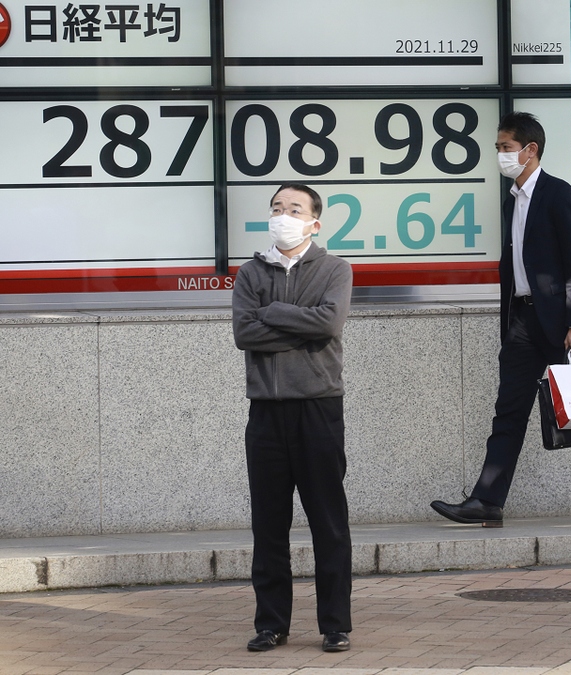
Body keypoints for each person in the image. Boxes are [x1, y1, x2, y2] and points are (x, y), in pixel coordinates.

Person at [430, 111, 571, 527]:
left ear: (530, 150)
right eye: (498, 149)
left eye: (505, 148)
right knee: (508, 412)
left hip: (562, 326)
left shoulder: (558, 194)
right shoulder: (514, 200)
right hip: (522, 323)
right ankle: (487, 500)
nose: (500, 155)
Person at [232, 183, 354, 653]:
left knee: (328, 520)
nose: (284, 215)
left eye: (295, 209)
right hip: (265, 412)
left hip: (318, 408)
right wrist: (297, 324)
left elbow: (328, 324)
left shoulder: (334, 269)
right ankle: (271, 624)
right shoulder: (250, 273)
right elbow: (245, 333)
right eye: (278, 208)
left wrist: (276, 313)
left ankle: (335, 625)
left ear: (314, 223)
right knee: (268, 523)